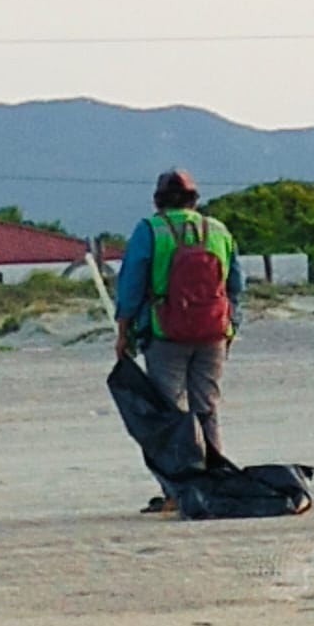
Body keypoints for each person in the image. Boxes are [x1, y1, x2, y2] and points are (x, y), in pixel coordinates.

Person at [114, 169, 244, 508]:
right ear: (195, 199)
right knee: (207, 408)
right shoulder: (218, 230)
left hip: (165, 332)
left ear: (158, 200)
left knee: (169, 413)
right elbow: (236, 287)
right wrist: (231, 327)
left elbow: (130, 286)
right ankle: (215, 482)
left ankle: (178, 490)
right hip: (214, 332)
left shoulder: (150, 231)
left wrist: (123, 331)